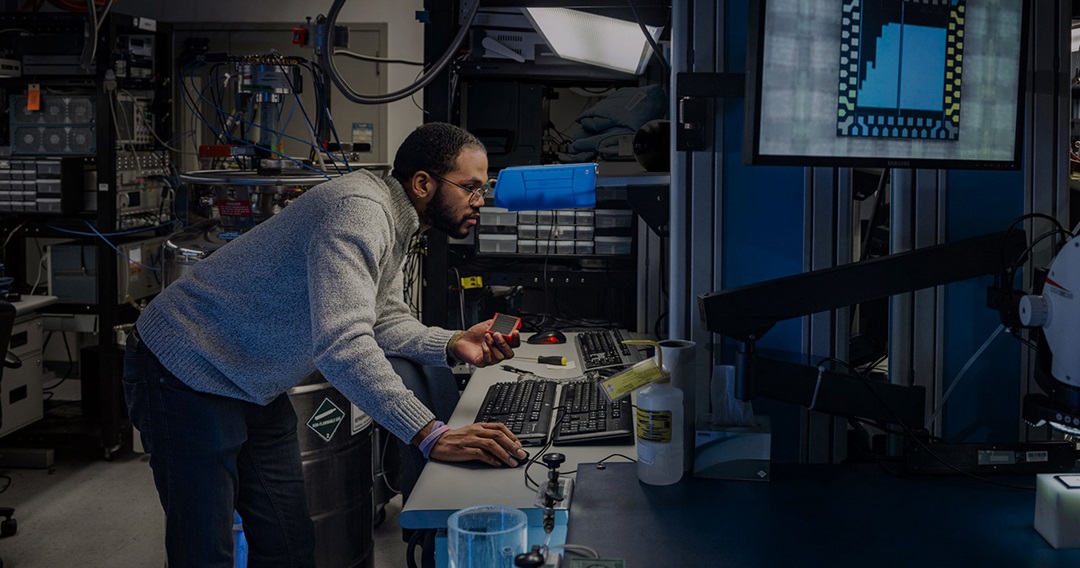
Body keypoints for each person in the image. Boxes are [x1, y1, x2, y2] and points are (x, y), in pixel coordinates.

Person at [122, 122, 526, 567]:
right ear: (423, 183)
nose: (480, 202)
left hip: (252, 379)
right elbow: (344, 345)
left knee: (289, 543)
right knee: (204, 553)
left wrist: (452, 343)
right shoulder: (359, 212)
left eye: (482, 188)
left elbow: (382, 318)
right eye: (470, 188)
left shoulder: (396, 220)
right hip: (185, 367)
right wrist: (428, 433)